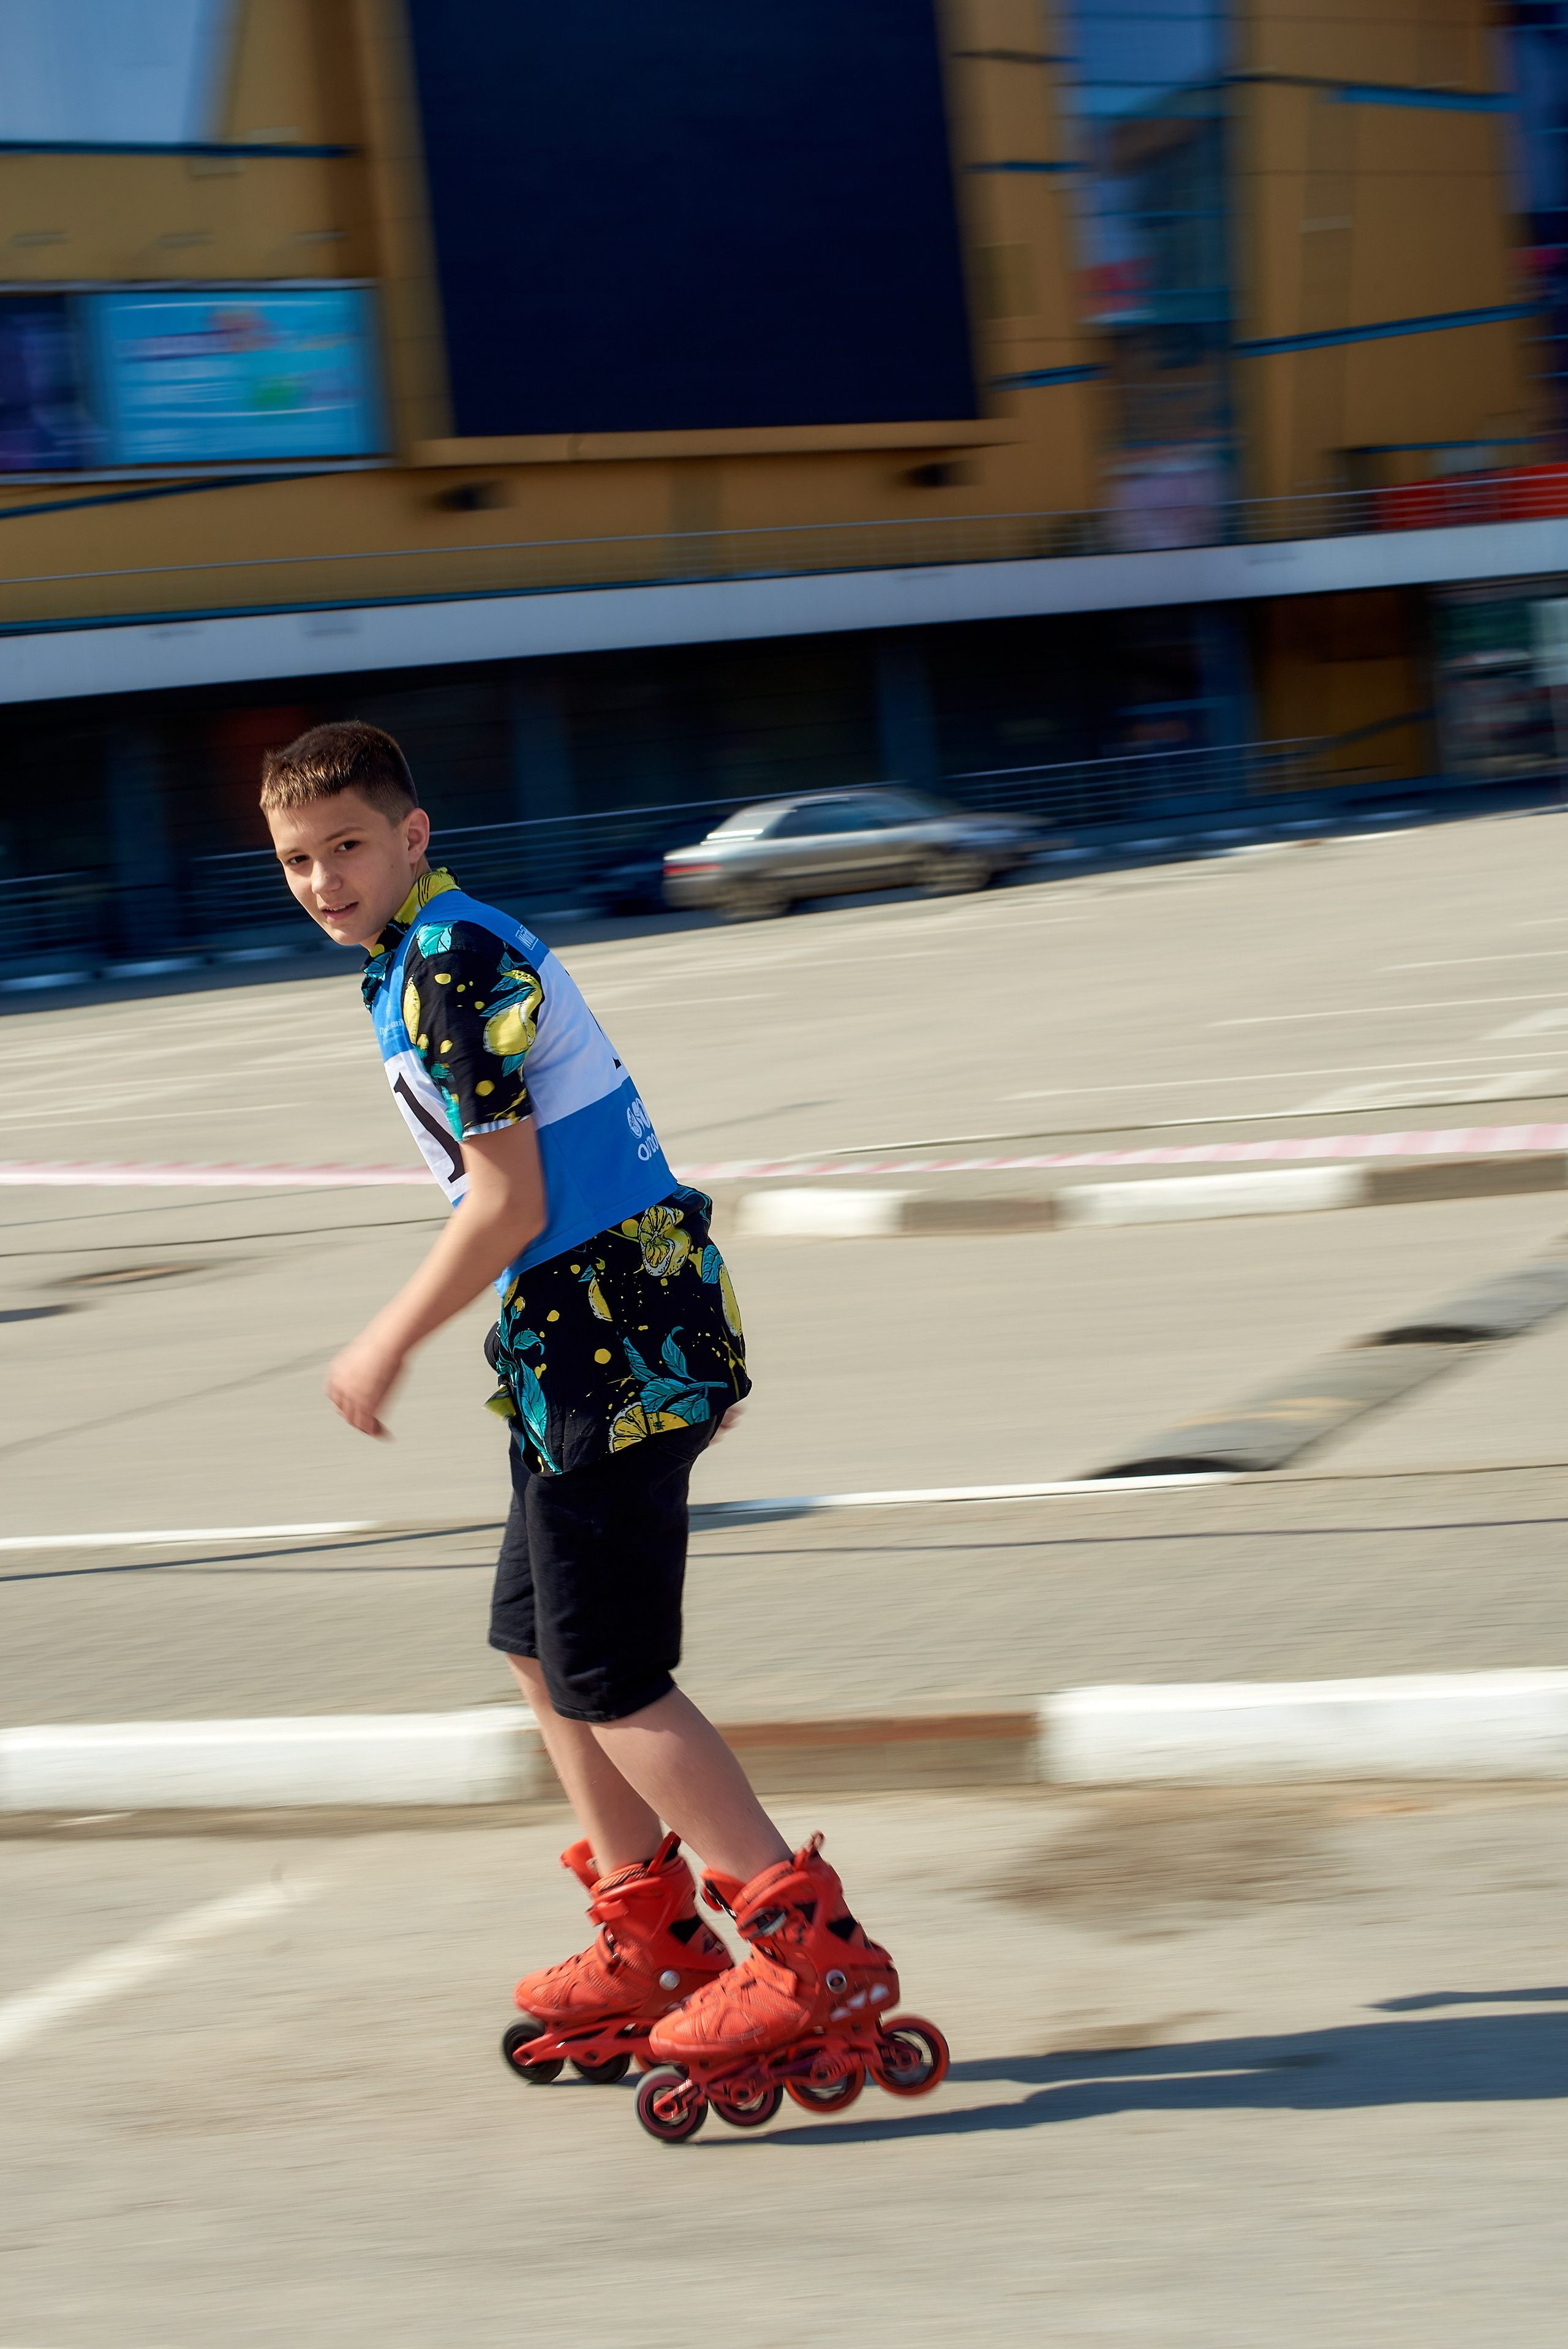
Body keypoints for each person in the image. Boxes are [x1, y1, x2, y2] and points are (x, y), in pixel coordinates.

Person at [260, 718, 898, 2078]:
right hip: (582, 1334)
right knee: (534, 1641)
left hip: (608, 1328)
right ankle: (649, 1935)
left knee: (611, 1675)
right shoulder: (415, 952)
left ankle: (808, 1956)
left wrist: (387, 1339)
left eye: (347, 847)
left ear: (412, 836)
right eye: (298, 860)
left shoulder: (447, 959)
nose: (323, 879)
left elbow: (508, 1201)